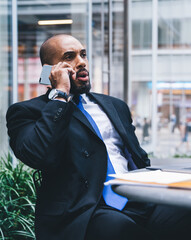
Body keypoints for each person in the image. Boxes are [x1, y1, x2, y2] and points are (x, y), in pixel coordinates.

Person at [6, 34, 191, 240]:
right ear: (49, 70)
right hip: (84, 210)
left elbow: (137, 157)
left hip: (137, 199)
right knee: (121, 230)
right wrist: (60, 95)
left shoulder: (114, 105)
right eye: (70, 56)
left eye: (83, 54)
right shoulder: (27, 111)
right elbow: (40, 155)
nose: (81, 62)